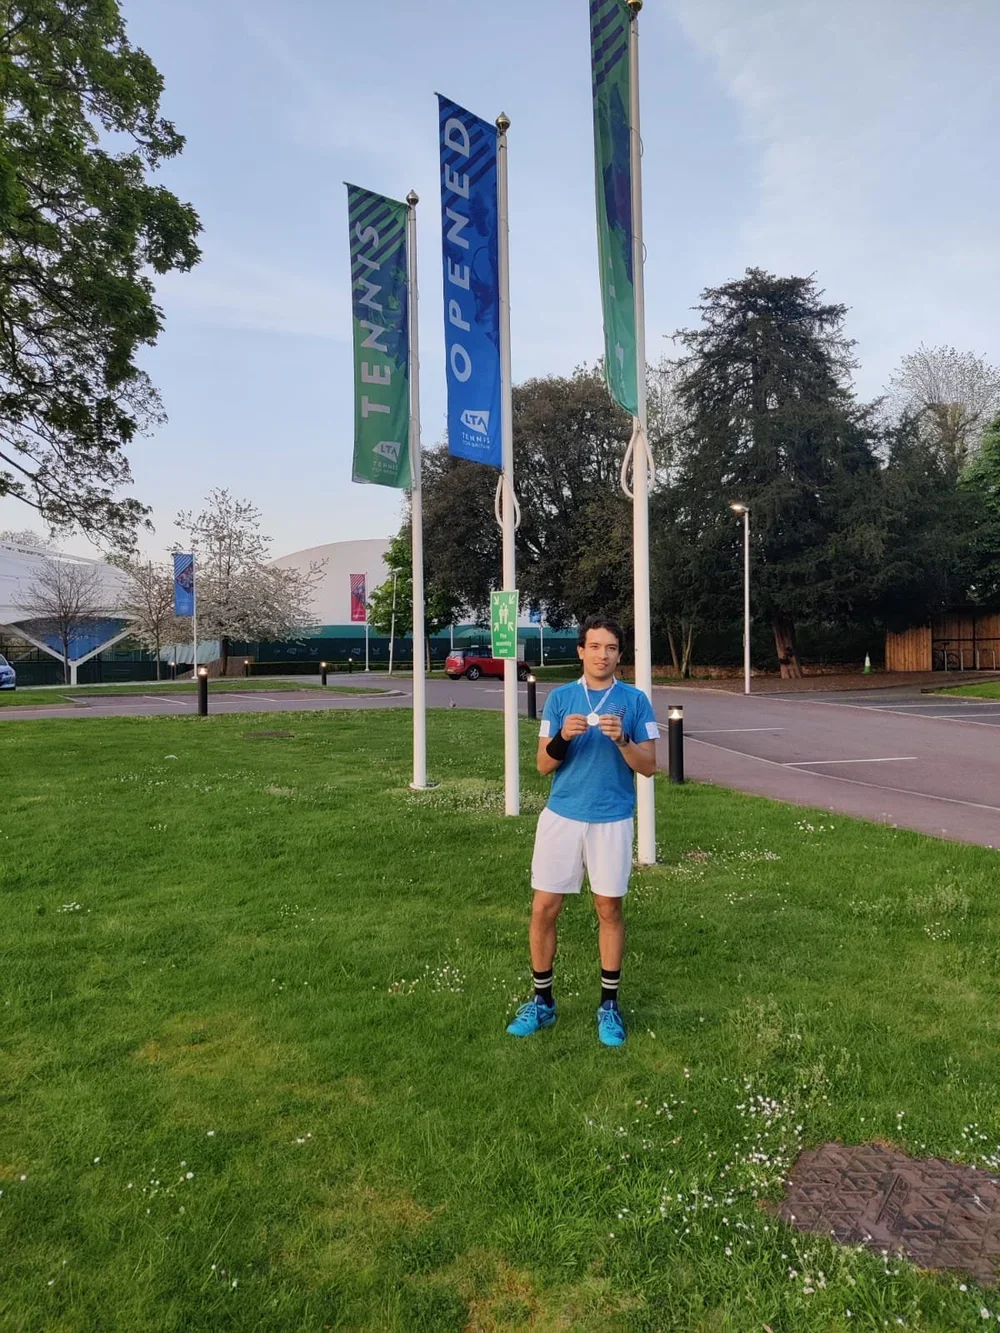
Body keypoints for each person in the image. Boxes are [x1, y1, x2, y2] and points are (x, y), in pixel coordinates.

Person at [506, 615, 659, 1047]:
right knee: (544, 907)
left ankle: (609, 1005)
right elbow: (542, 765)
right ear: (581, 651)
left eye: (610, 648)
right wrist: (563, 739)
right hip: (563, 815)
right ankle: (542, 1001)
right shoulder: (559, 699)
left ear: (619, 654)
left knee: (608, 909)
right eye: (595, 646)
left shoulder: (634, 701)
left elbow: (649, 768)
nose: (602, 654)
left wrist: (623, 741)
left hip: (612, 816)